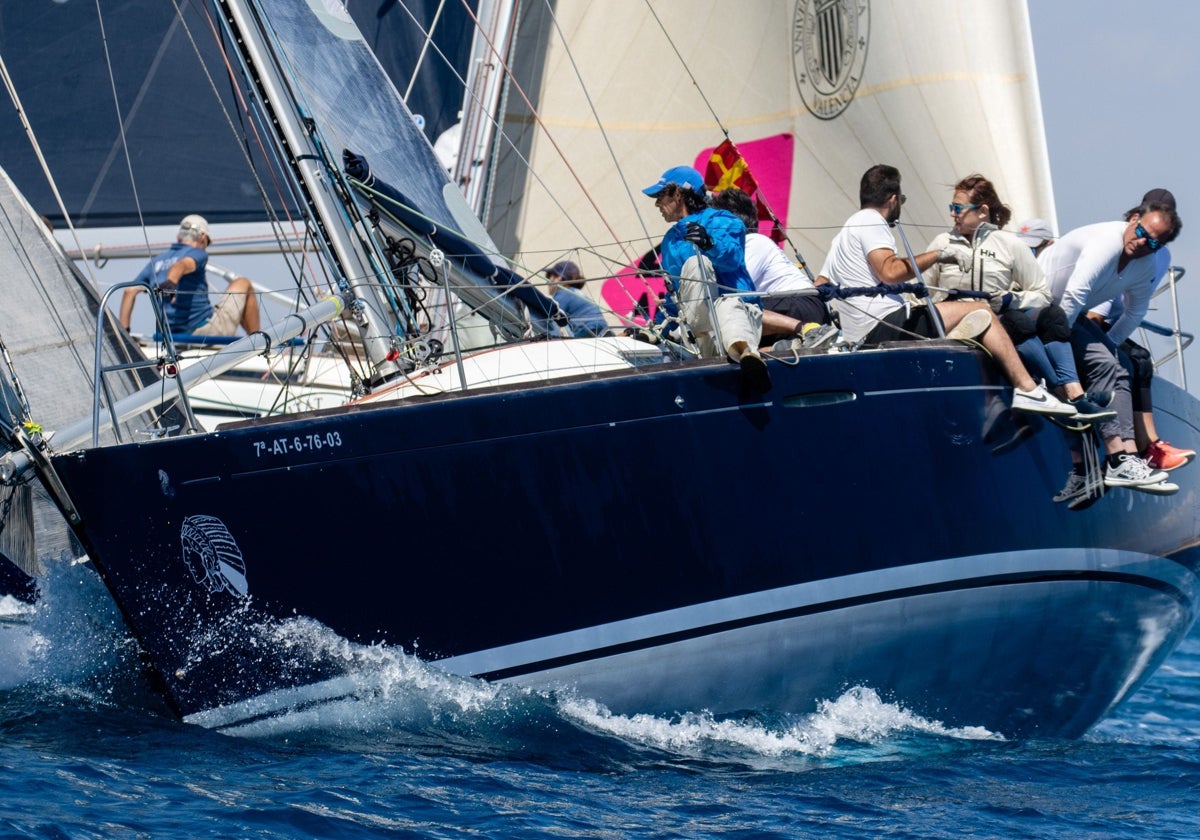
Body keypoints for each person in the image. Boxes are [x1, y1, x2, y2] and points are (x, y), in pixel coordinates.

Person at [816, 164, 1075, 418]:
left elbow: (820, 283)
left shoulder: (844, 232)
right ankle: (1028, 389)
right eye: (902, 199)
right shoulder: (872, 221)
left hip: (859, 334)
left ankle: (1000, 392)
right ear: (893, 199)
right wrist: (939, 255)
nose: (954, 214)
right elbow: (891, 271)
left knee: (972, 318)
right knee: (981, 310)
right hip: (883, 324)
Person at [923, 174, 1113, 424]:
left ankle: (1074, 394)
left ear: (982, 212)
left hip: (997, 320)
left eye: (958, 208)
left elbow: (1042, 295)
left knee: (1052, 316)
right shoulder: (941, 243)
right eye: (952, 208)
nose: (953, 214)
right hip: (957, 326)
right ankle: (1059, 394)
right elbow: (922, 291)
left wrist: (1010, 298)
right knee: (1016, 322)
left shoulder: (1010, 245)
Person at [1038, 198, 1182, 499]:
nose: (1142, 243)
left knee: (1121, 365)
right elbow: (1073, 297)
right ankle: (1115, 458)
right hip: (1038, 302)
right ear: (1133, 219)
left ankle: (1125, 456)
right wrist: (1063, 352)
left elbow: (1134, 313)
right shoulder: (1106, 243)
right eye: (1141, 231)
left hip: (1064, 313)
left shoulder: (1143, 265)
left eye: (1153, 244)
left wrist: (1110, 345)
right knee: (1103, 365)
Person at [1083, 188, 1194, 471]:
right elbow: (1096, 310)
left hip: (1110, 319)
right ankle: (1134, 450)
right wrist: (1101, 348)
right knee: (1129, 362)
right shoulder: (1122, 245)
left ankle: (1150, 446)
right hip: (1089, 316)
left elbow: (1135, 302)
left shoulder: (1162, 256)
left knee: (1141, 359)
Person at [643, 165, 770, 391]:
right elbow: (676, 292)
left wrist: (708, 244)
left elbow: (732, 258)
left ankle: (747, 357)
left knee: (726, 304)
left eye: (661, 196)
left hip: (735, 314)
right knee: (698, 272)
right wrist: (658, 330)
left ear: (678, 194)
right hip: (697, 329)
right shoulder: (670, 240)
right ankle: (746, 357)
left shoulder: (723, 220)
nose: (656, 204)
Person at [709, 188, 836, 349]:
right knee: (742, 351)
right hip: (802, 308)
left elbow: (730, 292)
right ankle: (788, 347)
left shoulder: (752, 241)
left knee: (728, 310)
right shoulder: (752, 244)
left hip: (801, 305)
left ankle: (802, 333)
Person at [119, 215, 260, 337]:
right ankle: (260, 346)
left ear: (178, 237)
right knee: (243, 283)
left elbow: (129, 291)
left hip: (169, 336)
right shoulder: (198, 253)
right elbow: (182, 265)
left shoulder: (156, 261)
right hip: (205, 331)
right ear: (203, 238)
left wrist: (125, 334)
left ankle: (122, 335)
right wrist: (171, 282)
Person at [539, 260, 611, 337]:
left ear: (559, 278)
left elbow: (548, 318)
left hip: (588, 333)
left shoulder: (562, 294)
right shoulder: (576, 292)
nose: (548, 281)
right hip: (604, 331)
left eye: (551, 276)